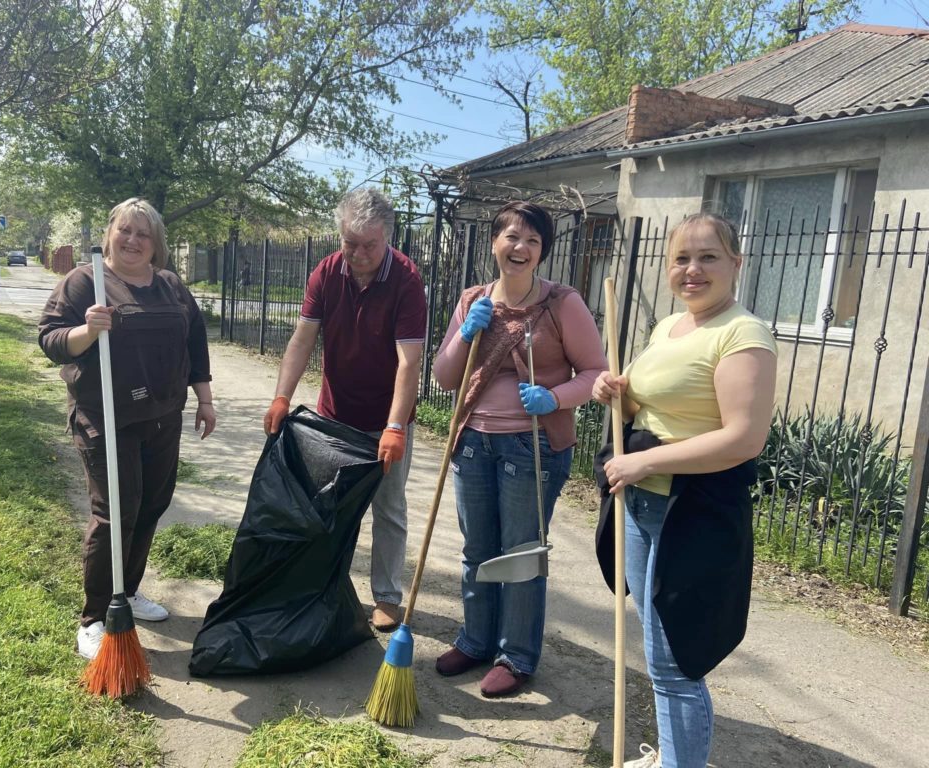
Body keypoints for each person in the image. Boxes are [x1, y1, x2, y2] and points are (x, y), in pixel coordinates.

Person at [591, 213, 778, 767]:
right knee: (656, 655)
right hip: (643, 504)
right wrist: (616, 394)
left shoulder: (743, 334)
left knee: (676, 665)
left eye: (708, 257)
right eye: (681, 259)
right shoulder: (668, 328)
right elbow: (648, 410)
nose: (692, 270)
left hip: (691, 514)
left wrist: (643, 460)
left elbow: (744, 439)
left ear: (736, 264)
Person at [431, 200, 607, 698]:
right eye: (512, 236)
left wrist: (553, 396)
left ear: (542, 251)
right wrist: (466, 334)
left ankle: (517, 655)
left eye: (532, 240)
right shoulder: (472, 300)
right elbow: (446, 377)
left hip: (531, 447)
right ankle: (475, 640)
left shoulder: (561, 304)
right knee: (477, 550)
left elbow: (596, 372)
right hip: (472, 443)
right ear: (494, 242)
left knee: (522, 553)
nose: (521, 247)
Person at [39, 198, 216, 661]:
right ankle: (95, 616)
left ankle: (129, 589)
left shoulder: (172, 286)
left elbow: (195, 340)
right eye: (125, 230)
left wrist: (205, 398)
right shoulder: (84, 282)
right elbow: (51, 340)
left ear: (156, 242)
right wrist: (85, 331)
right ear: (109, 234)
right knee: (115, 512)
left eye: (143, 233)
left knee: (152, 504)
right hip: (106, 418)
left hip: (163, 416)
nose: (133, 240)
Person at [263, 188, 427, 632]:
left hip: (385, 418)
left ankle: (388, 597)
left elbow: (410, 361)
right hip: (334, 415)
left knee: (388, 508)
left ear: (387, 239)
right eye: (348, 243)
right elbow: (302, 340)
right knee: (330, 505)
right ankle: (328, 583)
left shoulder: (406, 281)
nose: (357, 254)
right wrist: (282, 395)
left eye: (368, 245)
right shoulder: (327, 272)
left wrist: (395, 426)